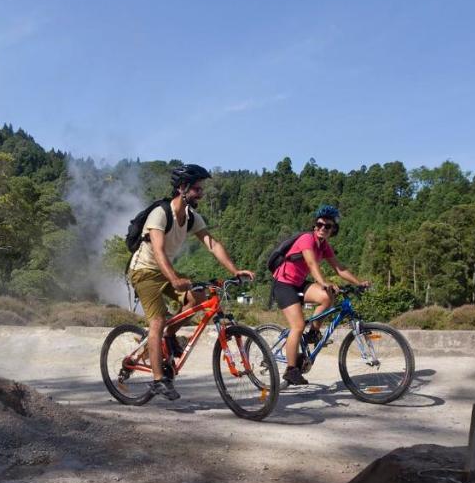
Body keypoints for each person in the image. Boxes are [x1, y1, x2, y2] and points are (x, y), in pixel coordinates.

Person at [127, 163, 254, 401]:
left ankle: (169, 335)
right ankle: (157, 380)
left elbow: (212, 244)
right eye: (197, 189)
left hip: (166, 272)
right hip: (144, 271)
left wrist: (235, 270)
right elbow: (158, 250)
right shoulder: (160, 214)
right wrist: (174, 278)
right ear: (182, 188)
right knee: (157, 321)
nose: (201, 193)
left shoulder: (191, 217)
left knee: (199, 296)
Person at [270, 205, 368, 385]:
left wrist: (358, 282)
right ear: (315, 226)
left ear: (333, 230)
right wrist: (323, 282)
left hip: (298, 283)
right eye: (319, 224)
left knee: (326, 296)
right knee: (298, 326)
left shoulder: (324, 246)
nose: (322, 228)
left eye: (327, 226)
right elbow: (311, 263)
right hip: (283, 284)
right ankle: (291, 370)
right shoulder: (307, 239)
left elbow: (339, 268)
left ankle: (313, 333)